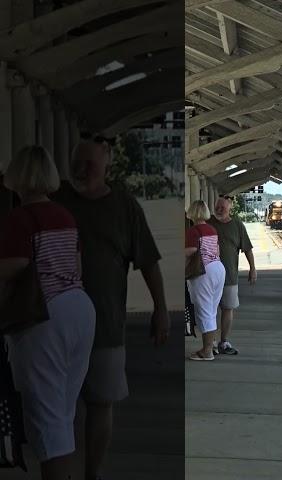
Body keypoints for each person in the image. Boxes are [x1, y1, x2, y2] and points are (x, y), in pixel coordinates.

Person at [52, 134, 170, 480]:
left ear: (106, 165)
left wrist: (161, 308)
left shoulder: (124, 206)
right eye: (77, 163)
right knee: (60, 408)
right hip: (54, 325)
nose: (82, 170)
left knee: (100, 403)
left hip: (106, 325)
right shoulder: (56, 201)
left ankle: (93, 472)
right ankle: (65, 471)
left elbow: (148, 261)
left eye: (90, 163)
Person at [0, 146, 96, 480]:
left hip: (44, 316)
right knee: (63, 412)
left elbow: (13, 267)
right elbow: (77, 265)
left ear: (16, 178)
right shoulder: (66, 216)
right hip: (80, 308)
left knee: (47, 416)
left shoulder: (19, 219)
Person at [208, 194, 256, 355]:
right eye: (217, 207)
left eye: (222, 207)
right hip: (209, 277)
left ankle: (224, 341)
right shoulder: (208, 224)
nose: (219, 209)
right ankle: (211, 342)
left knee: (228, 308)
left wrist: (253, 268)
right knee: (211, 310)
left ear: (230, 208)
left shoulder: (238, 225)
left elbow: (247, 249)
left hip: (230, 276)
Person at [185, 200, 225, 360]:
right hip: (218, 268)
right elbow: (217, 250)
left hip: (204, 271)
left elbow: (191, 251)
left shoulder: (194, 231)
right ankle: (210, 345)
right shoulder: (212, 229)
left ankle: (207, 351)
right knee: (212, 310)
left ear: (192, 213)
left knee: (205, 312)